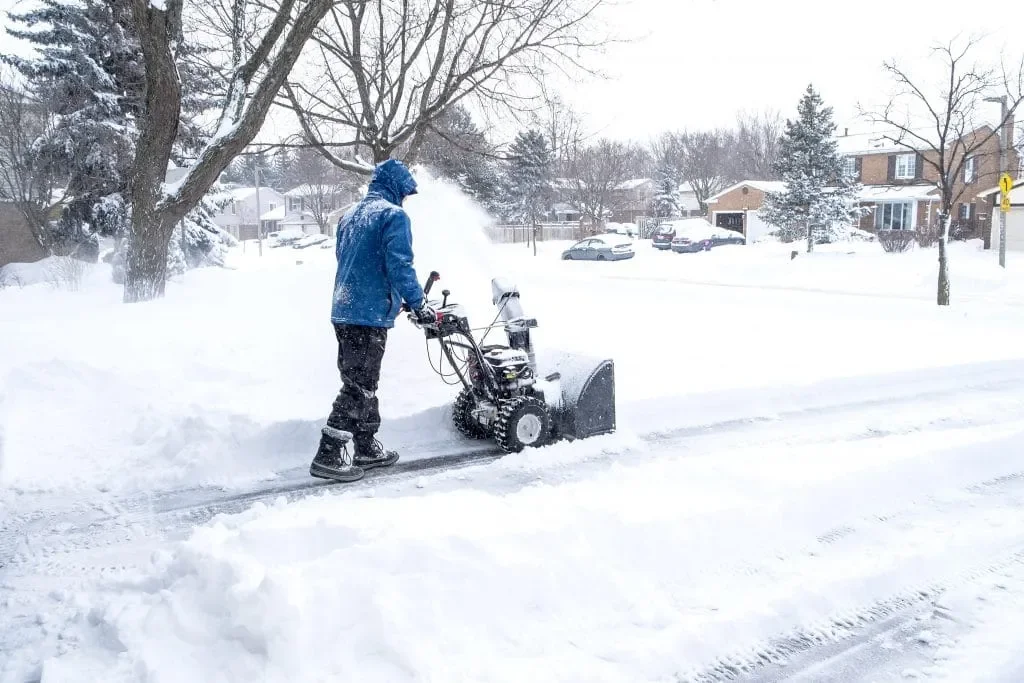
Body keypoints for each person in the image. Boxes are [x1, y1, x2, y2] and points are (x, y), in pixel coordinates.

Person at [310, 159, 436, 482]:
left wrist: (393, 299)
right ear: (395, 187)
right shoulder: (393, 216)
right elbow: (400, 266)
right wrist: (418, 303)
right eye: (404, 193)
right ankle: (329, 452)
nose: (405, 200)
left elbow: (354, 260)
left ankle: (365, 445)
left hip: (344, 310)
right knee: (359, 384)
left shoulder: (350, 216)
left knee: (364, 380)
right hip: (367, 315)